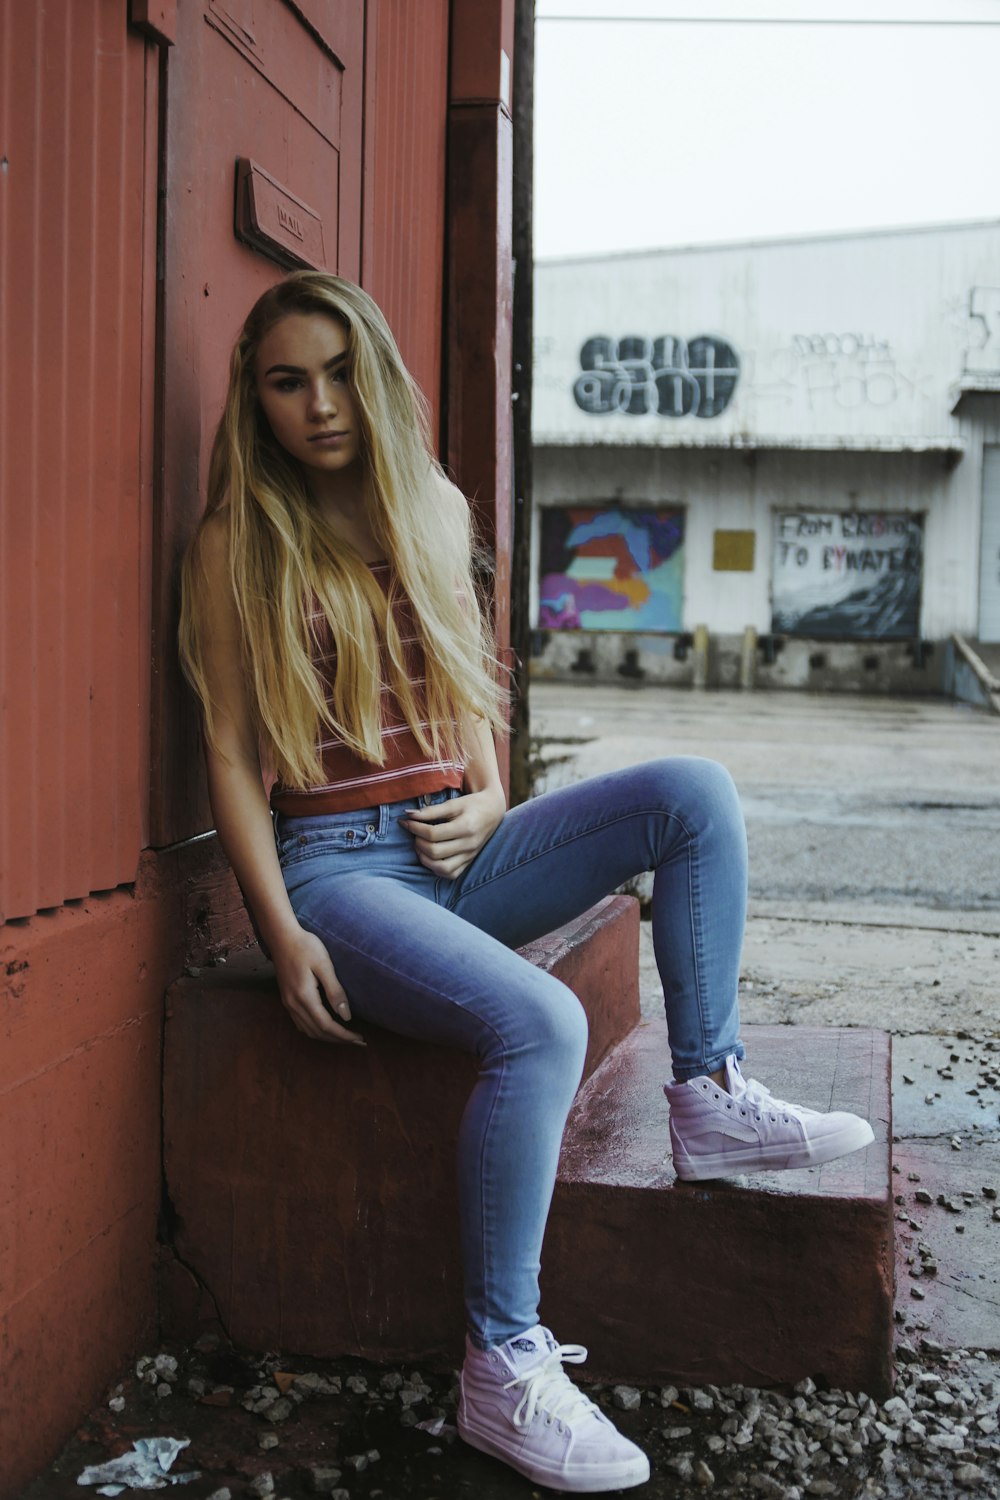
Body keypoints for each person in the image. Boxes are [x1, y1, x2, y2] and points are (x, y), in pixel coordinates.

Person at [179, 270, 875, 1494]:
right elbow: (233, 752)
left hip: (464, 842)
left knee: (692, 793)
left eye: (340, 373)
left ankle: (708, 1093)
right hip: (342, 874)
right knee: (540, 1018)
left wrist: (492, 796)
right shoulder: (241, 541)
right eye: (288, 382)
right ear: (258, 400)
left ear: (377, 376)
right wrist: (284, 935)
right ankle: (501, 1366)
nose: (320, 404)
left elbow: (464, 689)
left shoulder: (434, 509)